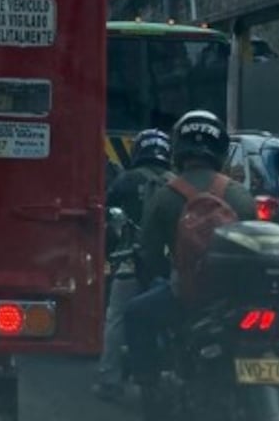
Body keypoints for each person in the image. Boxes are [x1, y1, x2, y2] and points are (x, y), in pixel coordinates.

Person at [123, 110, 256, 412]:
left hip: (188, 297)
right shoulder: (240, 195)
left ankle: (151, 387)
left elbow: (150, 257)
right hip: (238, 301)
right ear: (220, 149)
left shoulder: (164, 196)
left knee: (134, 314)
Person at [94, 129, 173, 401]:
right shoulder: (177, 185)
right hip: (168, 266)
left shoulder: (126, 180)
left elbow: (105, 216)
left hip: (129, 261)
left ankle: (110, 379)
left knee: (116, 316)